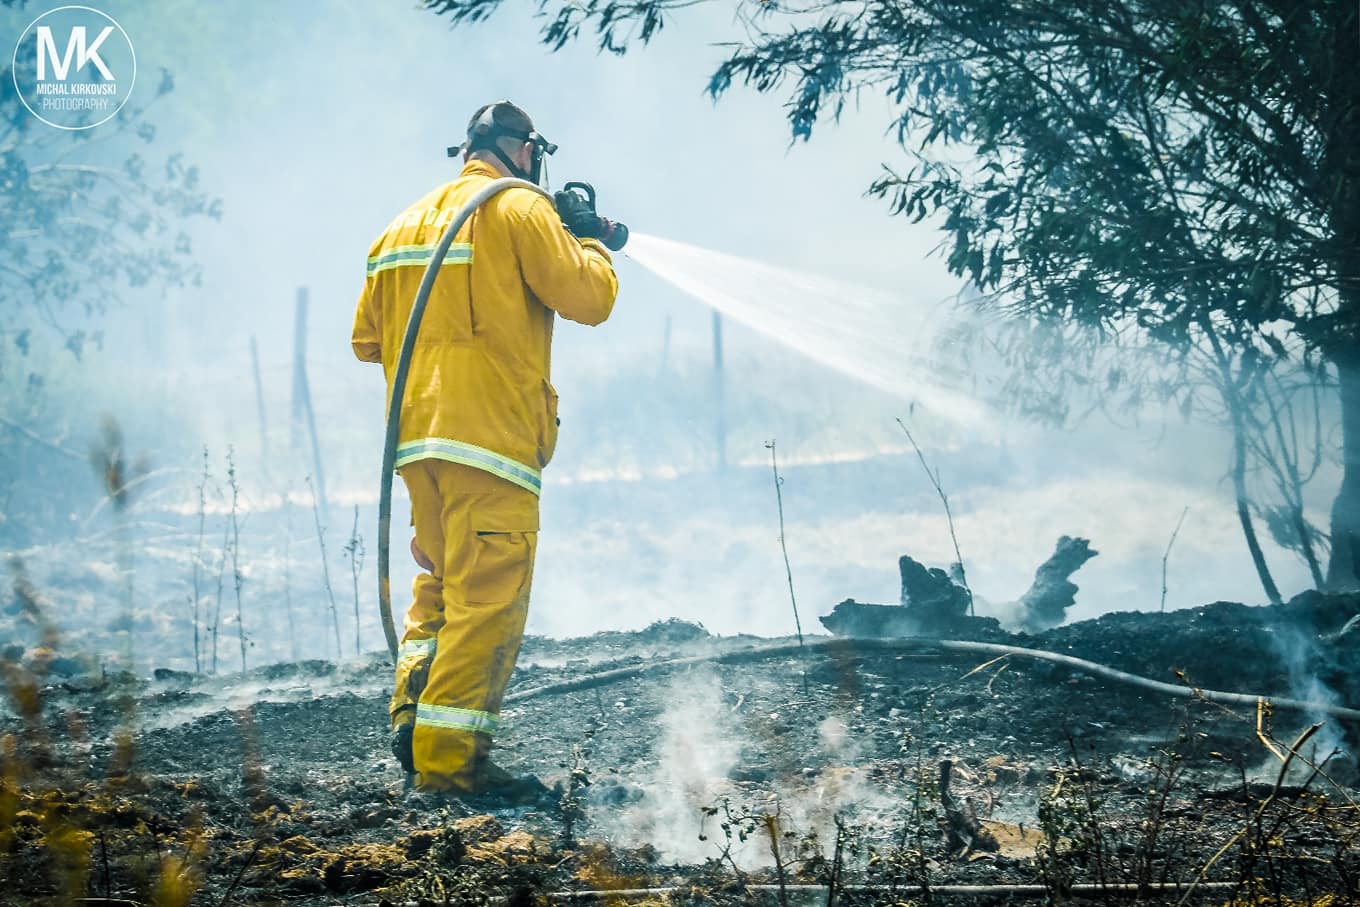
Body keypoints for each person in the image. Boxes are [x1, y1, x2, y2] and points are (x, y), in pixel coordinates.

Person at [351, 100, 619, 797]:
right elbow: (588, 298)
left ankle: (413, 716)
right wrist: (587, 239)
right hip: (491, 443)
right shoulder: (521, 209)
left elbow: (368, 341)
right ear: (524, 150)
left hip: (417, 446)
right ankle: (449, 764)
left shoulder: (401, 225)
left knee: (440, 586)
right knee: (488, 598)